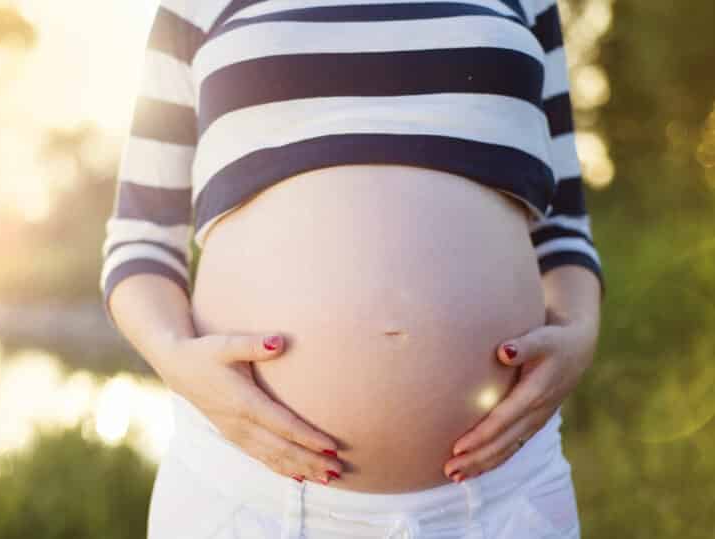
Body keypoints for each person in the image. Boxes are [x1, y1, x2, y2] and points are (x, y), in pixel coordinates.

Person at [99, 0, 604, 537]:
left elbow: (563, 229)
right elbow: (141, 239)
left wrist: (580, 335)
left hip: (500, 497)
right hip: (249, 497)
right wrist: (177, 361)